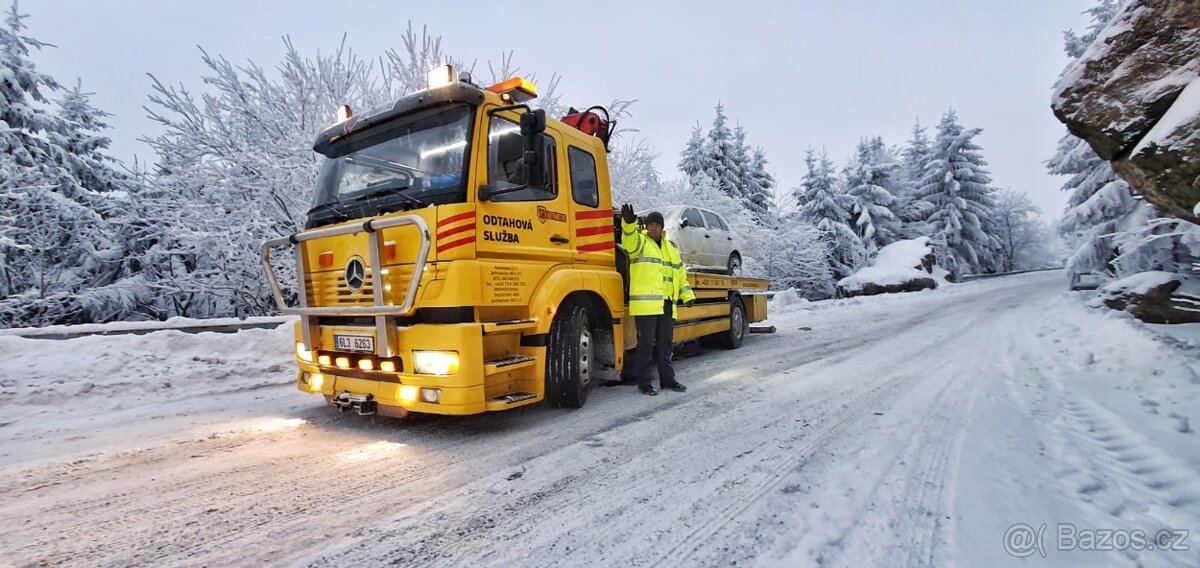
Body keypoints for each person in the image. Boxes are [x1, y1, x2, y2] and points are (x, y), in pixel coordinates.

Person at [620, 204, 696, 396]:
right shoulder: (640, 242)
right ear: (646, 227)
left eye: (657, 224)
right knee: (645, 346)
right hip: (647, 305)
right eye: (650, 224)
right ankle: (644, 384)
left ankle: (668, 380)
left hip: (667, 303)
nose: (653, 227)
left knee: (665, 344)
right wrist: (629, 224)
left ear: (661, 227)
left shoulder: (670, 248)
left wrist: (687, 295)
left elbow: (680, 275)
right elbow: (629, 243)